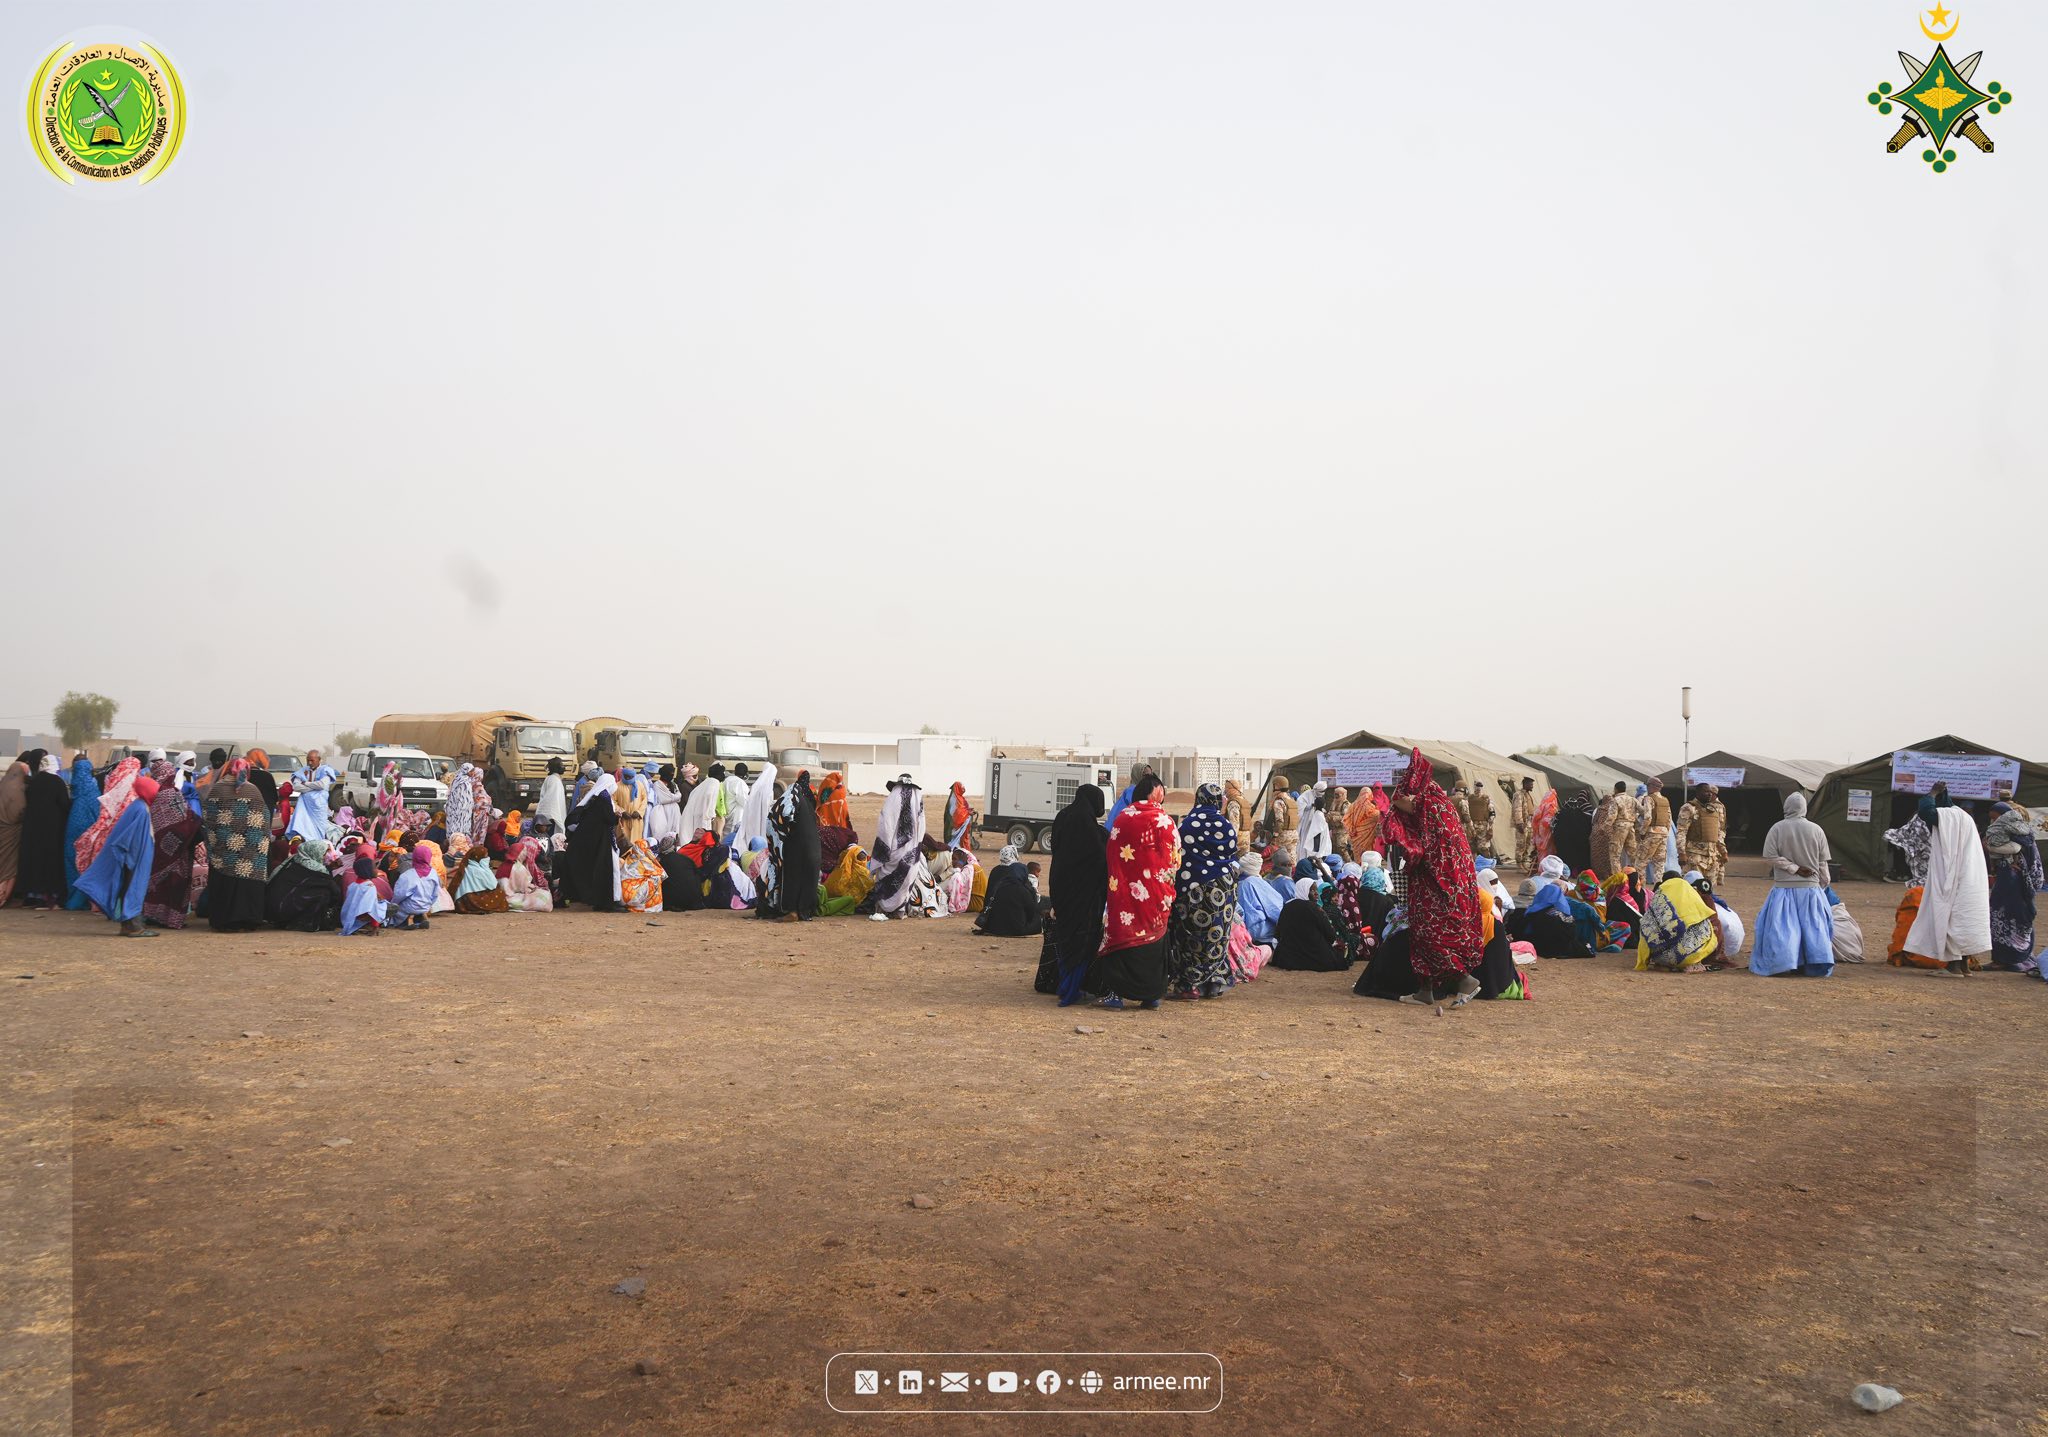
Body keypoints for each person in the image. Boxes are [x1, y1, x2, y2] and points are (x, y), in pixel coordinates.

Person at [1382, 749, 1485, 1006]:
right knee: (1421, 930)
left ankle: (1464, 979)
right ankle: (1424, 990)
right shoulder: (1443, 805)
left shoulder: (1429, 805)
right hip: (1445, 881)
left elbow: (1398, 801)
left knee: (1431, 932)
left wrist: (1406, 790)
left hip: (1441, 882)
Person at [1089, 774, 1176, 1008]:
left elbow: (1111, 855)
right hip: (1156, 896)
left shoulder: (1123, 819)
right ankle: (1151, 996)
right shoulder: (1165, 821)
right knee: (1152, 941)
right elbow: (1174, 860)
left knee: (1123, 938)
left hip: (1125, 895)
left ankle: (1115, 995)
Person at [1897, 804, 1992, 975]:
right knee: (1963, 923)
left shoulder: (1953, 836)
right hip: (1969, 887)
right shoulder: (1969, 838)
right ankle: (1964, 966)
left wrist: (1933, 794)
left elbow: (1926, 812)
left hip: (1956, 885)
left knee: (1951, 921)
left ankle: (1953, 967)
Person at [1165, 783, 1240, 999]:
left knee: (1191, 935)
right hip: (1223, 889)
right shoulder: (1226, 825)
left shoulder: (1187, 825)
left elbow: (1178, 855)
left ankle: (1189, 985)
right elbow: (1232, 855)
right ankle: (1214, 983)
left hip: (1193, 889)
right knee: (1217, 934)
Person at [1750, 793, 1835, 977]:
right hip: (1811, 890)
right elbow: (1822, 863)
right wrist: (1822, 883)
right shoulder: (1817, 830)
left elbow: (1770, 857)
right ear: (1804, 808)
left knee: (1783, 929)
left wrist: (1793, 868)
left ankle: (1782, 963)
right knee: (1813, 929)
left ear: (1786, 807)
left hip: (1784, 889)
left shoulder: (1777, 828)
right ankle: (1813, 964)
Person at [74, 773, 160, 936]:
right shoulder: (141, 810)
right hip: (135, 859)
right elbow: (132, 838)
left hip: (133, 858)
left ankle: (129, 925)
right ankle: (133, 927)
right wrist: (133, 859)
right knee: (133, 889)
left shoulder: (138, 806)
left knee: (129, 889)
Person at [1046, 784, 1109, 1006]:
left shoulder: (1063, 816)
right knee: (1082, 941)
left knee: (1066, 939)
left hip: (1061, 889)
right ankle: (1071, 990)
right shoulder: (1091, 829)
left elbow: (1056, 848)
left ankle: (1065, 986)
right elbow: (1099, 860)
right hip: (1085, 896)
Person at [202, 759, 272, 932]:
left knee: (226, 881)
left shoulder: (218, 788)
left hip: (224, 848)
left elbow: (209, 816)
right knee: (246, 882)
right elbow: (264, 818)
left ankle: (224, 921)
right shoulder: (252, 790)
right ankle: (248, 920)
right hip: (250, 849)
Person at [140, 760, 202, 928]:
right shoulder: (172, 793)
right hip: (177, 847)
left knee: (156, 883)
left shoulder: (151, 793)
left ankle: (151, 915)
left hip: (157, 847)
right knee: (175, 882)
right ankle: (171, 919)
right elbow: (185, 819)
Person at [1984, 801, 2042, 972]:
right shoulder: (2002, 836)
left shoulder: (2021, 837)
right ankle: (2003, 958)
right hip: (2006, 885)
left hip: (2016, 887)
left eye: (1996, 819)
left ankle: (2011, 958)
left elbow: (2028, 862)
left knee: (2015, 918)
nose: (1993, 823)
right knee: (1999, 918)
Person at [870, 776, 935, 917]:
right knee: (906, 880)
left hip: (894, 847)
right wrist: (916, 845)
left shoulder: (894, 797)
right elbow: (921, 826)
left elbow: (886, 826)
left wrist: (883, 850)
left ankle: (884, 909)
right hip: (911, 850)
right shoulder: (917, 798)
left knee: (886, 876)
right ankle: (899, 911)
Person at [1634, 872, 1721, 973]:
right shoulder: (1687, 892)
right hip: (1688, 956)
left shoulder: (1658, 898)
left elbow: (1644, 931)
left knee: (1652, 926)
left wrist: (1644, 961)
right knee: (1706, 922)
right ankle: (1692, 963)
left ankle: (1664, 964)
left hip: (1661, 958)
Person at [16, 754, 71, 909]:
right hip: (52, 829)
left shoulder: (34, 782)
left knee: (34, 860)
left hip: (32, 828)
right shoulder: (57, 782)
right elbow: (64, 804)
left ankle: (33, 896)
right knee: (50, 861)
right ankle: (49, 896)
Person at [564, 772, 619, 911]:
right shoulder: (604, 797)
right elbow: (609, 819)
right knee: (606, 869)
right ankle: (607, 902)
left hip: (596, 839)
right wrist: (617, 816)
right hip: (602, 840)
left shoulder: (595, 796)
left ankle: (600, 901)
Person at [1268, 878, 1350, 970]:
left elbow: (1278, 933)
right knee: (1341, 953)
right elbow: (1331, 935)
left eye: (1316, 890)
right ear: (1304, 890)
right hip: (1315, 956)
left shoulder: (1287, 906)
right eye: (1312, 890)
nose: (1316, 894)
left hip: (1287, 958)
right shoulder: (1314, 908)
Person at [265, 838, 344, 931]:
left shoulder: (294, 860)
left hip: (272, 908)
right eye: (323, 854)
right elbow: (333, 889)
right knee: (323, 894)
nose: (324, 857)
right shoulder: (315, 868)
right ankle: (303, 923)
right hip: (283, 909)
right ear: (314, 852)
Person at [58, 753, 99, 909]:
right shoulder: (93, 788)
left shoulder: (73, 788)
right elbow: (98, 812)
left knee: (72, 863)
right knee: (87, 864)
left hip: (72, 831)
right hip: (89, 833)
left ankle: (73, 898)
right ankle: (85, 900)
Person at [975, 845, 1041, 936]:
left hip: (995, 925)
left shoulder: (998, 882)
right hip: (1016, 928)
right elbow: (1031, 910)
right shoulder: (1023, 889)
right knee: (1037, 921)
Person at [1677, 784, 1729, 888]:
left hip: (1712, 856)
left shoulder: (1713, 809)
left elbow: (1718, 833)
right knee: (1693, 887)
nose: (1709, 794)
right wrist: (1682, 853)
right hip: (1695, 855)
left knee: (1708, 889)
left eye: (1710, 792)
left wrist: (1723, 852)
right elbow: (1681, 832)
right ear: (1698, 793)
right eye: (1706, 791)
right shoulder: (1689, 808)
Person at [1234, 852, 1286, 944]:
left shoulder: (1241, 883)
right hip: (1262, 933)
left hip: (1250, 934)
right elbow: (1275, 909)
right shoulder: (1253, 882)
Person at [288, 749, 338, 844]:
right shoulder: (303, 771)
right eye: (308, 760)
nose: (310, 763)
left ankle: (318, 845)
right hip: (305, 804)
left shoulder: (325, 770)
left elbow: (322, 785)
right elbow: (296, 787)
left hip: (319, 806)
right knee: (303, 825)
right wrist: (314, 787)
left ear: (319, 760)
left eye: (312, 760)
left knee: (319, 828)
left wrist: (306, 783)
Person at [0, 755, 31, 908]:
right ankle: (3, 897)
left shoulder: (2, 786)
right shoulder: (18, 790)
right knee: (10, 866)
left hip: (2, 829)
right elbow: (18, 812)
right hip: (13, 831)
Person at [388, 843, 440, 929]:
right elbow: (435, 894)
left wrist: (393, 903)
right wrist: (427, 904)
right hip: (426, 906)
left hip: (409, 908)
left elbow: (399, 895)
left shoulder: (408, 875)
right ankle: (420, 917)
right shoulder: (434, 873)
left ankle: (408, 920)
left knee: (397, 908)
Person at [1552, 789, 1594, 876]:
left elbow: (1553, 825)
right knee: (1577, 856)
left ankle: (1563, 871)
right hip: (1578, 839)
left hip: (1562, 839)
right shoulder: (1582, 812)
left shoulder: (1561, 813)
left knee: (1564, 856)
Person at [1266, 776, 1300, 871]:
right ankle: (1292, 874)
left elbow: (1279, 821)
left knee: (1278, 858)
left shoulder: (1279, 801)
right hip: (1294, 833)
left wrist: (1275, 835)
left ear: (1277, 786)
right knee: (1292, 858)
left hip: (1283, 835)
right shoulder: (1291, 800)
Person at [645, 764, 683, 849]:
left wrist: (674, 797)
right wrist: (675, 796)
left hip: (675, 811)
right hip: (663, 811)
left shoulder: (673, 784)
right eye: (670, 773)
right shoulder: (657, 784)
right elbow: (664, 799)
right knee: (663, 831)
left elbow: (678, 797)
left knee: (676, 830)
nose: (671, 776)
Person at [1504, 776, 1537, 871]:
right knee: (1521, 844)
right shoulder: (1519, 795)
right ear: (1525, 784)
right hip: (1523, 823)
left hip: (1529, 822)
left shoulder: (1528, 795)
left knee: (1527, 844)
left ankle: (1524, 862)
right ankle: (1519, 864)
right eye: (1530, 784)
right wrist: (1519, 823)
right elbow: (1517, 809)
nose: (1532, 786)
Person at [1344, 785, 1381, 868]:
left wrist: (1352, 830)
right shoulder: (1372, 808)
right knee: (1367, 856)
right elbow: (1377, 816)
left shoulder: (1353, 806)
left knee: (1358, 856)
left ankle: (1358, 870)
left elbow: (1346, 819)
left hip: (1356, 836)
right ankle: (1368, 869)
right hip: (1368, 837)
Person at [1223, 779, 1255, 856]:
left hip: (1238, 838)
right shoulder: (1244, 800)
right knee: (1244, 860)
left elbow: (1234, 824)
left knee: (1235, 859)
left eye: (1226, 788)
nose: (1225, 790)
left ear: (1230, 789)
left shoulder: (1233, 802)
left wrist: (1231, 841)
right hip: (1246, 837)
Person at [536, 756, 569, 831]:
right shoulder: (554, 780)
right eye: (561, 764)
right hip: (551, 818)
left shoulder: (551, 778)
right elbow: (551, 801)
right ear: (556, 767)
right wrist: (553, 816)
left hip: (550, 817)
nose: (563, 767)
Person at [1466, 778, 1495, 859]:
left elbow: (1492, 812)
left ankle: (1487, 863)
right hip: (1471, 825)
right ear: (1474, 786)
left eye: (1480, 785)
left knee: (1483, 847)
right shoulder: (1469, 798)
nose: (1479, 787)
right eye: (1477, 785)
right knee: (1472, 847)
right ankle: (1473, 864)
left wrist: (1490, 827)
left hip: (1483, 825)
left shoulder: (1486, 798)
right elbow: (1466, 812)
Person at [243, 747, 279, 813]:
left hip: (246, 810)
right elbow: (274, 797)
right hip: (265, 810)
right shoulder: (267, 775)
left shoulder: (243, 775)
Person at [941, 781, 974, 851]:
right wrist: (967, 813)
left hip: (961, 824)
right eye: (961, 787)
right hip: (954, 826)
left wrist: (968, 810)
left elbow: (962, 809)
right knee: (955, 842)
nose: (963, 788)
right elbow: (955, 813)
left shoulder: (960, 798)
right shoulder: (954, 799)